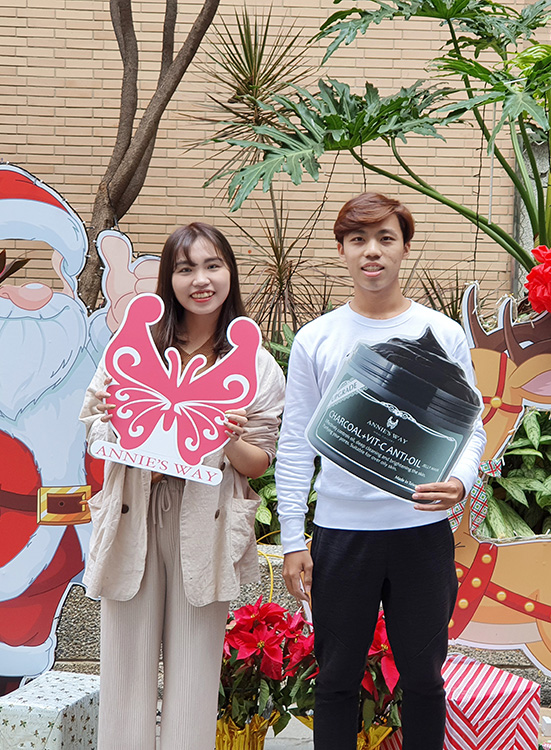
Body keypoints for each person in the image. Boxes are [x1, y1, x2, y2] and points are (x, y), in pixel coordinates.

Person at [278, 192, 486, 749]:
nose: (372, 251)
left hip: (421, 534)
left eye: (385, 239)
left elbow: (471, 429)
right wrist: (294, 539)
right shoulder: (316, 339)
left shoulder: (442, 333)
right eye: (358, 240)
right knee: (336, 680)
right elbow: (295, 445)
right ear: (342, 250)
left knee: (424, 680)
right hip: (341, 536)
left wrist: (460, 482)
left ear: (404, 249)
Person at [79, 222, 285, 750]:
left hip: (206, 518)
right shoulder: (136, 344)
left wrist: (229, 437)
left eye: (213, 265)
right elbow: (95, 425)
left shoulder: (254, 363)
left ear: (230, 273)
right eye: (186, 268)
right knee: (125, 670)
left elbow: (259, 460)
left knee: (195, 674)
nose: (201, 280)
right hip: (135, 511)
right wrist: (119, 425)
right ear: (168, 279)